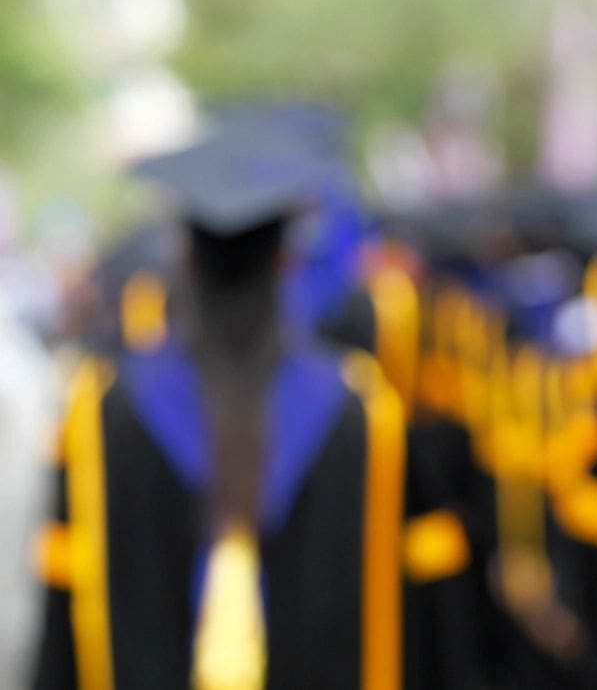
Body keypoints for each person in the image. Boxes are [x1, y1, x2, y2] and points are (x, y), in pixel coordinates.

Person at [31, 132, 464, 689]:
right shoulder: (360, 413)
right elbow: (425, 613)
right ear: (286, 260)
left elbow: (62, 608)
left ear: (184, 258)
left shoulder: (108, 412)